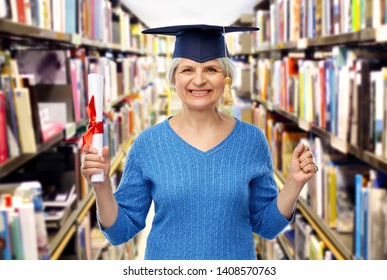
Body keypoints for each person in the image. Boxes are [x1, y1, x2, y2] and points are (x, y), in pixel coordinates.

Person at [81, 24, 318, 260]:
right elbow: (120, 232)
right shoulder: (148, 144)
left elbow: (266, 226)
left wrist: (294, 184)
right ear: (174, 78)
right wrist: (101, 188)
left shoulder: (252, 140)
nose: (199, 80)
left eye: (211, 69)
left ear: (226, 78)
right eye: (187, 70)